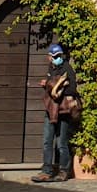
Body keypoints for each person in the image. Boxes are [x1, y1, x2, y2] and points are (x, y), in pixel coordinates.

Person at [31, 43, 81, 183]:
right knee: (47, 141)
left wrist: (57, 87)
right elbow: (50, 84)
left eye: (58, 56)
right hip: (51, 109)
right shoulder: (51, 68)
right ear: (50, 57)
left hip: (63, 111)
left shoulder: (67, 69)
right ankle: (46, 171)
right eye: (54, 56)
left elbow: (72, 89)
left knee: (61, 143)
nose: (56, 58)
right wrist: (48, 83)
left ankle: (64, 171)